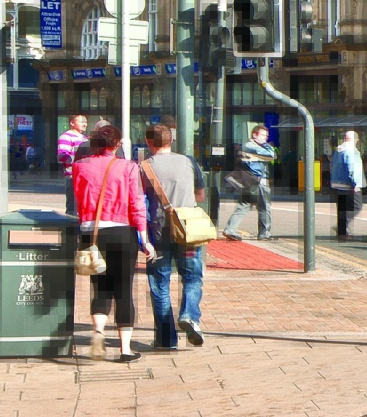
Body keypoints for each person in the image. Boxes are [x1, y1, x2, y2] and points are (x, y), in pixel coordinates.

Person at [72, 123, 152, 362]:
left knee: (101, 287)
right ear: (117, 144)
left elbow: (77, 199)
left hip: (91, 232)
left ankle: (98, 332)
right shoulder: (129, 168)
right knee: (123, 290)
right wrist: (144, 239)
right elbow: (137, 205)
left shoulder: (79, 167)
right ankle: (125, 350)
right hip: (121, 232)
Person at [140, 123, 206, 353]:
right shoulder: (189, 162)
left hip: (158, 234)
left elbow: (140, 202)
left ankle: (166, 340)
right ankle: (189, 315)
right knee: (192, 277)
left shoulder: (144, 167)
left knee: (160, 283)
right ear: (171, 141)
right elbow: (200, 194)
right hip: (188, 232)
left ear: (149, 143)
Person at [222, 123, 277, 241]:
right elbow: (272, 154)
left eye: (266, 136)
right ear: (254, 135)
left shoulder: (251, 147)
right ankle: (264, 233)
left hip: (250, 181)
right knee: (264, 207)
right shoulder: (250, 146)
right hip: (257, 181)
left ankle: (230, 229)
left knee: (244, 205)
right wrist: (267, 145)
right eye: (263, 135)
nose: (265, 138)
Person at [329, 130, 365, 240]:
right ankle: (342, 227)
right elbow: (352, 168)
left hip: (336, 184)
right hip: (347, 184)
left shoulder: (338, 150)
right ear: (355, 140)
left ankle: (341, 232)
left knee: (341, 209)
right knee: (356, 206)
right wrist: (355, 184)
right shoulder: (351, 151)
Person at [56, 114, 88, 181]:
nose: (85, 125)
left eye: (86, 122)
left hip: (85, 176)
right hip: (72, 177)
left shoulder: (85, 138)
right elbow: (62, 156)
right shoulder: (66, 137)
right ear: (72, 123)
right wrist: (81, 161)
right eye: (82, 122)